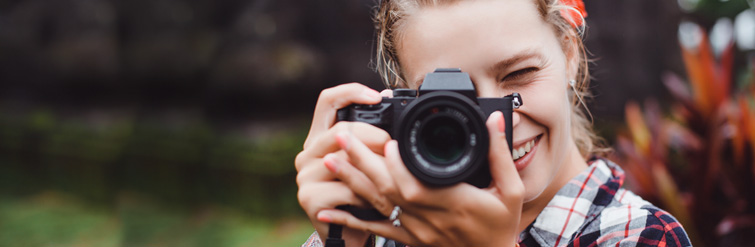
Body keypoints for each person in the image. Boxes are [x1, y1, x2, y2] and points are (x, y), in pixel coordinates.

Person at [296, 0, 692, 246]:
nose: (497, 126)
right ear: (405, 102)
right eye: (453, 97)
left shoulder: (639, 235)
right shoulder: (381, 232)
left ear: (569, 53)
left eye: (519, 73)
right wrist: (342, 240)